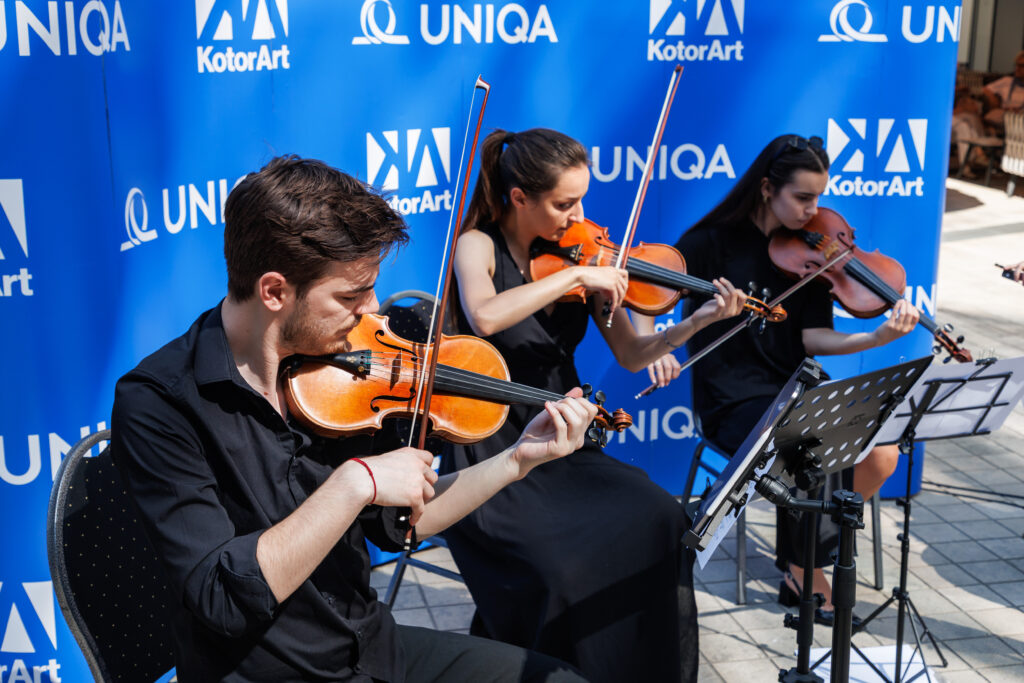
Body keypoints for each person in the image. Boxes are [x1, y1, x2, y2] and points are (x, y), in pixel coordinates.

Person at [110, 155, 604, 683]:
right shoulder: (160, 403)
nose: (371, 310)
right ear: (274, 291)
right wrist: (354, 482)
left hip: (371, 649)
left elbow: (401, 526)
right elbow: (222, 598)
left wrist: (517, 460)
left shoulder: (344, 368)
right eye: (350, 295)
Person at [443, 128, 747, 683]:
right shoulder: (478, 245)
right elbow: (484, 315)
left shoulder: (579, 257)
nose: (579, 216)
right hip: (491, 444)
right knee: (562, 566)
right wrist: (580, 274)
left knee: (662, 517)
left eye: (581, 200)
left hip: (561, 435)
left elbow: (632, 353)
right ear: (519, 198)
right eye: (564, 204)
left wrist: (697, 321)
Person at [635, 134, 919, 622]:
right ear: (767, 188)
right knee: (806, 445)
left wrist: (877, 337)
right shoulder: (711, 242)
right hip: (732, 399)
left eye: (818, 197)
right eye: (803, 197)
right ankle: (805, 568)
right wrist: (651, 345)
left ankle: (806, 549)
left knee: (882, 452)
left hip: (796, 387)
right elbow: (645, 289)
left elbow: (813, 337)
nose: (813, 211)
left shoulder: (811, 251)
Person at [982, 50, 1024, 128]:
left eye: (1021, 66)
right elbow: (984, 89)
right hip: (1005, 114)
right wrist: (993, 99)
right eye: (1016, 65)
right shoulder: (1007, 81)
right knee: (991, 116)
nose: (1017, 68)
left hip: (1021, 117)